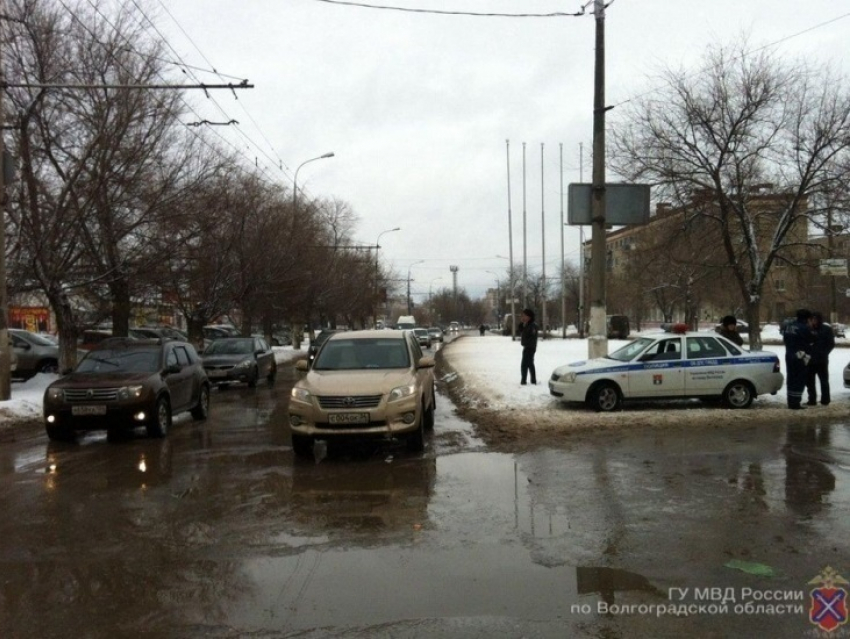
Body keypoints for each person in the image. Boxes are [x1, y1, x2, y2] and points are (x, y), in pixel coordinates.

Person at [783, 308, 815, 410]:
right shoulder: (804, 328)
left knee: (791, 378)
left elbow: (785, 339)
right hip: (800, 356)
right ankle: (795, 403)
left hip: (789, 355)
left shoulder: (789, 326)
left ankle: (790, 401)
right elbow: (810, 341)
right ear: (806, 319)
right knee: (799, 379)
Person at [806, 311, 835, 406]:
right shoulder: (808, 329)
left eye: (815, 319)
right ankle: (812, 399)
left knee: (824, 381)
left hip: (821, 360)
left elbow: (831, 343)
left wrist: (824, 353)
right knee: (810, 382)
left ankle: (825, 399)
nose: (814, 321)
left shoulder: (826, 329)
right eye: (812, 319)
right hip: (810, 360)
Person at [519, 308, 538, 385]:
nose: (523, 317)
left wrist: (527, 344)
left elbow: (531, 337)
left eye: (524, 315)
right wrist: (522, 324)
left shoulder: (533, 325)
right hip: (527, 347)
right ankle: (531, 380)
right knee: (529, 364)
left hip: (530, 347)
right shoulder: (526, 324)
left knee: (526, 364)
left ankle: (525, 380)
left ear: (529, 316)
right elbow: (520, 330)